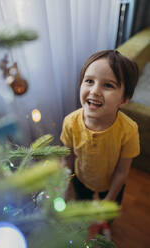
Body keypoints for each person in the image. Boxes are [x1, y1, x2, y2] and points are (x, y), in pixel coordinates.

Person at [60, 50, 140, 205]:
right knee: (83, 205)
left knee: (109, 214)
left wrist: (108, 201)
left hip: (110, 185)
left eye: (108, 85)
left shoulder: (129, 130)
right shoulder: (70, 122)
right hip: (80, 178)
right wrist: (64, 187)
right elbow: (67, 158)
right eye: (89, 81)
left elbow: (122, 172)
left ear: (124, 100)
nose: (94, 91)